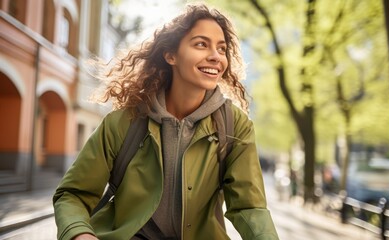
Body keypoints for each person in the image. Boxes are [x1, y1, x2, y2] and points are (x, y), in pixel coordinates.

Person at [53, 3, 279, 240]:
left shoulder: (235, 126)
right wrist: (79, 234)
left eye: (222, 49)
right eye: (201, 44)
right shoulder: (124, 121)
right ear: (170, 55)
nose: (215, 56)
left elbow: (249, 207)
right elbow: (73, 193)